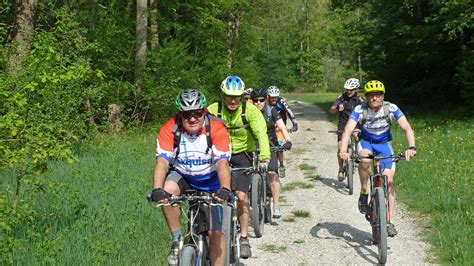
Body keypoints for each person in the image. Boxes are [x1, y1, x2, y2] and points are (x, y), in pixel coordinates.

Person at [150, 89, 233, 265]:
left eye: (197, 113)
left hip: (212, 180)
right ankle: (177, 239)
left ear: (204, 112)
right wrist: (157, 189)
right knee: (167, 191)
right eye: (187, 115)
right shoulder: (170, 129)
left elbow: (222, 164)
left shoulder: (216, 128)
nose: (193, 118)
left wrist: (225, 189)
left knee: (216, 234)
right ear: (180, 115)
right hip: (184, 176)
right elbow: (162, 163)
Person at [339, 80, 416, 237]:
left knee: (389, 181)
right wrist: (343, 150)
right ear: (367, 97)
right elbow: (347, 130)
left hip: (384, 145)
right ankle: (364, 191)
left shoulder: (391, 108)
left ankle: (388, 221)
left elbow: (407, 127)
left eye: (378, 95)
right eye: (371, 95)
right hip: (367, 143)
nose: (375, 98)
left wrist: (411, 147)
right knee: (365, 160)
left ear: (383, 96)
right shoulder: (360, 109)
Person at [208, 76, 271, 259]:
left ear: (243, 95)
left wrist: (265, 156)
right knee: (215, 195)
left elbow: (261, 133)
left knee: (242, 196)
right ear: (223, 95)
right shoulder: (213, 110)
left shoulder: (250, 111)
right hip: (219, 155)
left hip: (242, 155)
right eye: (229, 96)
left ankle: (243, 237)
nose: (233, 100)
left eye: (237, 96)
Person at [251, 88, 292, 218]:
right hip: (252, 146)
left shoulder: (271, 111)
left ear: (265, 100)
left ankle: (276, 204)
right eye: (255, 100)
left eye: (261, 100)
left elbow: (281, 126)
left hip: (270, 145)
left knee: (272, 173)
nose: (258, 103)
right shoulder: (247, 112)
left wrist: (287, 140)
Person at [329, 78, 364, 181]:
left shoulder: (360, 100)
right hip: (343, 124)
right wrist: (337, 107)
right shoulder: (342, 97)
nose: (348, 92)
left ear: (356, 89)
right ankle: (340, 169)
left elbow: (366, 112)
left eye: (351, 90)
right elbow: (331, 109)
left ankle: (357, 156)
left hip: (356, 124)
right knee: (340, 148)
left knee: (358, 139)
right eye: (347, 89)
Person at [267, 86, 298, 177]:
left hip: (280, 128)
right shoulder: (265, 102)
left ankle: (281, 165)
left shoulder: (281, 101)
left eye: (275, 97)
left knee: (279, 146)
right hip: (268, 127)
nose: (274, 99)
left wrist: (294, 124)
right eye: (272, 97)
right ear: (268, 96)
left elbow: (290, 112)